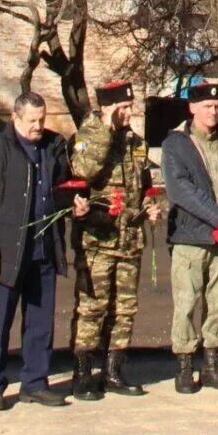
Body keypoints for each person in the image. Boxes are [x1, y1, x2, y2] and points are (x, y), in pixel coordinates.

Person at [0, 91, 82, 411]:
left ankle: (35, 382)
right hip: (6, 252)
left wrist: (75, 205)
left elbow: (63, 190)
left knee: (40, 322)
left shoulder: (53, 146)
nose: (37, 126)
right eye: (31, 121)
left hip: (44, 249)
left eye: (41, 120)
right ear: (15, 118)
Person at [69, 82, 158, 399]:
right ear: (107, 108)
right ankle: (81, 374)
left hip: (129, 240)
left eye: (130, 107)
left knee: (125, 309)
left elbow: (143, 181)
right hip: (98, 240)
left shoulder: (136, 142)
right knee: (92, 308)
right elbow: (84, 170)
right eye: (122, 108)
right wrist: (105, 129)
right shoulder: (87, 135)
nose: (128, 113)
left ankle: (113, 371)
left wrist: (149, 208)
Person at [161, 81, 218, 394]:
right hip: (190, 237)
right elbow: (180, 189)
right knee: (186, 303)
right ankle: (184, 367)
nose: (213, 111)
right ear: (192, 108)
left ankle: (212, 367)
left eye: (217, 106)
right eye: (206, 106)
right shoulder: (176, 144)